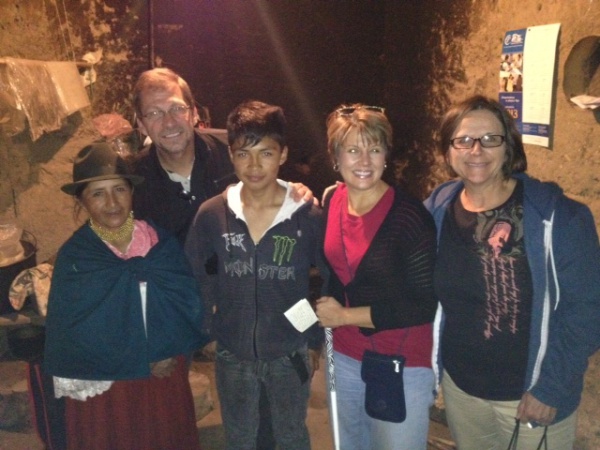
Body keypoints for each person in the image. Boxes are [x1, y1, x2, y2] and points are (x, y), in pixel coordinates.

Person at [128, 67, 313, 449]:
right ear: (140, 121)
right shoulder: (132, 179)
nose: (169, 121)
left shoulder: (230, 153)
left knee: (285, 429)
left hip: (272, 334)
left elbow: (319, 274)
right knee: (206, 424)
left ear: (195, 112)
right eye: (154, 112)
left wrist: (301, 327)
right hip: (183, 309)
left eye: (176, 108)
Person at [424, 95, 600, 450]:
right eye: (463, 139)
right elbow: (394, 246)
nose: (476, 150)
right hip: (462, 391)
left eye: (491, 138)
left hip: (530, 396)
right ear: (448, 150)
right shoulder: (439, 207)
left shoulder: (559, 218)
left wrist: (551, 387)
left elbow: (587, 310)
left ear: (509, 147)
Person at [44, 142, 204, 450]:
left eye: (119, 189)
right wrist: (140, 360)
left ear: (132, 192)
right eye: (97, 193)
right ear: (82, 201)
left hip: (162, 376)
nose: (112, 202)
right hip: (106, 388)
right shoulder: (77, 259)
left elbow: (185, 305)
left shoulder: (159, 244)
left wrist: (166, 351)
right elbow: (72, 333)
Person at [185, 100, 324, 450]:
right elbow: (194, 272)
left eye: (265, 153)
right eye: (244, 154)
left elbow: (324, 280)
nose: (255, 165)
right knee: (240, 439)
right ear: (231, 155)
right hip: (233, 355)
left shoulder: (305, 213)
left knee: (292, 435)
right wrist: (210, 327)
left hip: (289, 352)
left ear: (283, 154)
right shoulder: (213, 213)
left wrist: (311, 339)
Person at [315, 104, 438, 450]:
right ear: (336, 158)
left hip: (400, 361)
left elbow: (423, 304)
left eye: (374, 148)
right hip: (342, 354)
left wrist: (343, 316)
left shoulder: (409, 218)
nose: (364, 160)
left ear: (386, 155)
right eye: (353, 150)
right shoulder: (331, 200)